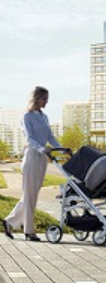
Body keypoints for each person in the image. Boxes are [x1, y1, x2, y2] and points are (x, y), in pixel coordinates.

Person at [3, 86, 66, 241]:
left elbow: (50, 137)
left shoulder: (44, 117)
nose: (46, 102)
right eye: (44, 98)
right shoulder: (27, 116)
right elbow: (29, 138)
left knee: (32, 195)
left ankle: (9, 222)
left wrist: (62, 149)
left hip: (42, 158)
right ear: (37, 99)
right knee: (30, 195)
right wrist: (42, 149)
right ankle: (29, 231)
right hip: (32, 156)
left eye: (47, 99)